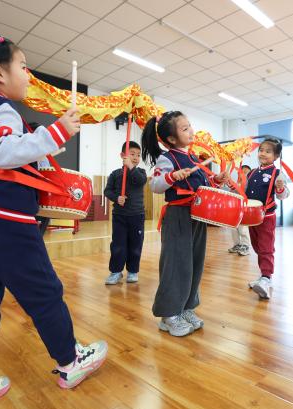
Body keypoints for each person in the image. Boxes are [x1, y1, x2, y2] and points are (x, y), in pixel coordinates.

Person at [0, 33, 107, 409]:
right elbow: (2, 153)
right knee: (44, 292)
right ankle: (70, 361)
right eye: (23, 66)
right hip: (5, 222)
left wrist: (40, 141)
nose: (28, 74)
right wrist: (57, 131)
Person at [142, 111, 229, 337]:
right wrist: (172, 177)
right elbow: (155, 185)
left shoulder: (193, 158)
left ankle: (187, 307)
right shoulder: (167, 158)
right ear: (171, 139)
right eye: (184, 128)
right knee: (176, 265)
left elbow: (203, 186)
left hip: (197, 217)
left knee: (195, 263)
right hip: (178, 216)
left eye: (190, 126)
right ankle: (169, 314)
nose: (191, 131)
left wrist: (215, 181)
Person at [245, 139, 290, 300]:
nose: (262, 153)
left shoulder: (277, 174)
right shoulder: (251, 173)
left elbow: (283, 195)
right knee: (257, 246)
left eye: (268, 151)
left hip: (267, 217)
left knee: (266, 248)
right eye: (261, 150)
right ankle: (263, 275)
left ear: (276, 156)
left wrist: (280, 187)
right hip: (252, 217)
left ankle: (266, 278)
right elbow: (244, 190)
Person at [103, 141, 147, 284]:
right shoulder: (115, 174)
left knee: (135, 244)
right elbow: (107, 191)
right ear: (123, 155)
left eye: (138, 155)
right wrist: (117, 198)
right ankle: (116, 272)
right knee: (118, 244)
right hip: (120, 216)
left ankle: (133, 271)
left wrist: (131, 167)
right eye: (132, 154)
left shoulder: (140, 172)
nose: (135, 157)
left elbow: (140, 181)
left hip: (137, 215)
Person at [227, 164, 252, 256]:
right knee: (234, 228)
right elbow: (230, 194)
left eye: (246, 172)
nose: (244, 174)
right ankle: (237, 244)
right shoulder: (235, 184)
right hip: (234, 209)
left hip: (244, 209)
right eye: (242, 172)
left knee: (243, 229)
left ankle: (245, 246)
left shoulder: (249, 184)